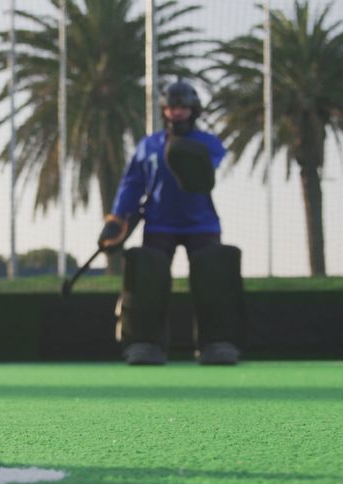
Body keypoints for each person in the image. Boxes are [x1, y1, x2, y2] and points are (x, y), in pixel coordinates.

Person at [97, 80, 246, 366]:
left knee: (212, 274)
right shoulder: (147, 146)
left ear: (193, 110)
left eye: (183, 107)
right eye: (172, 107)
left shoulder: (209, 144)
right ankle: (144, 344)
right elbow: (132, 184)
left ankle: (218, 343)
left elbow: (206, 172)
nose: (177, 112)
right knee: (147, 275)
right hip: (159, 223)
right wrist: (117, 219)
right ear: (164, 110)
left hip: (201, 223)